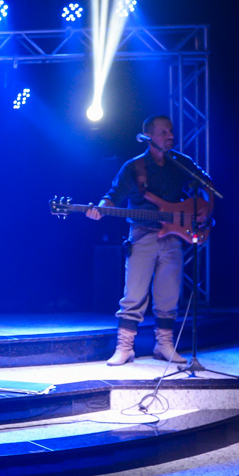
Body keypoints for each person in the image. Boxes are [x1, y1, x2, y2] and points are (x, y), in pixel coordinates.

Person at [87, 114, 213, 365]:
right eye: (164, 132)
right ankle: (125, 347)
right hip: (142, 234)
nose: (171, 136)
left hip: (173, 236)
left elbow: (207, 185)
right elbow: (112, 196)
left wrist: (205, 209)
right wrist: (100, 209)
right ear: (149, 136)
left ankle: (164, 345)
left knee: (168, 294)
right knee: (134, 294)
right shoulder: (134, 167)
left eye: (171, 131)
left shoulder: (181, 163)